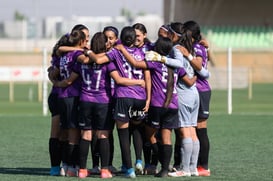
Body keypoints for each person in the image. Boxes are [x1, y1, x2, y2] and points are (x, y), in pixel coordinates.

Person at [86, 26, 151, 178]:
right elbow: (147, 76)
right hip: (141, 98)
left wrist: (88, 51)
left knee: (122, 135)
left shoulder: (116, 51)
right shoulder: (142, 52)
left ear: (120, 38)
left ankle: (128, 169)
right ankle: (139, 160)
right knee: (136, 129)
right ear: (134, 39)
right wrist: (148, 98)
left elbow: (99, 59)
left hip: (123, 96)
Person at [116, 36, 181, 177]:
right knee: (167, 138)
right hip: (173, 105)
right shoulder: (175, 65)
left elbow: (135, 62)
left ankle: (162, 162)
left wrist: (122, 49)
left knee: (150, 135)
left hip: (158, 104)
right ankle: (164, 169)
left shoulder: (155, 63)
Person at [182, 20, 212, 176]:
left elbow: (199, 66)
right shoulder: (198, 45)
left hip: (200, 90)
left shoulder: (197, 47)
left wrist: (187, 55)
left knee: (200, 129)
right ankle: (194, 165)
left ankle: (203, 166)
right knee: (193, 129)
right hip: (195, 90)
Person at [47, 34, 69, 176]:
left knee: (66, 134)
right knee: (56, 133)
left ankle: (66, 165)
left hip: (71, 98)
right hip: (57, 96)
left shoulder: (76, 56)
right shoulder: (61, 57)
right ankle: (55, 166)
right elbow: (52, 73)